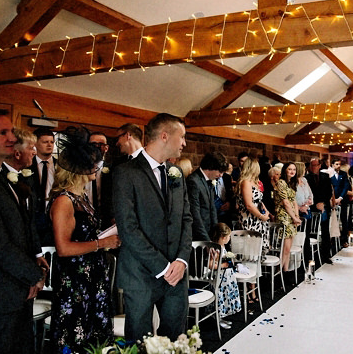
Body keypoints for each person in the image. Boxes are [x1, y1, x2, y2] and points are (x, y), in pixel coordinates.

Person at [113, 113, 194, 340]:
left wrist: (181, 260)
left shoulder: (175, 174)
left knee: (175, 341)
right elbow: (128, 228)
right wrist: (162, 266)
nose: (185, 143)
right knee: (140, 342)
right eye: (183, 137)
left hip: (176, 276)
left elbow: (187, 219)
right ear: (165, 136)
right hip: (141, 275)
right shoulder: (125, 173)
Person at [47, 127, 119, 351]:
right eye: (93, 164)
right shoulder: (63, 201)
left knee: (94, 335)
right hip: (75, 281)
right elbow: (63, 248)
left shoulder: (82, 197)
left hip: (92, 276)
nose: (97, 168)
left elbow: (84, 233)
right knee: (75, 333)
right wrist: (101, 243)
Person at [0, 109, 44, 354]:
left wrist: (34, 260)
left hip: (16, 286)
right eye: (3, 133)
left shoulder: (2, 176)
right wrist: (33, 274)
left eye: (11, 131)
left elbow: (21, 227)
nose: (11, 138)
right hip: (2, 289)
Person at [209, 223, 244, 327]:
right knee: (220, 296)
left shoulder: (222, 246)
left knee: (226, 296)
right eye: (229, 237)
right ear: (224, 238)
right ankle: (218, 318)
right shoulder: (215, 248)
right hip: (220, 278)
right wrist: (222, 265)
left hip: (227, 277)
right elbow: (211, 264)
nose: (229, 238)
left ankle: (222, 317)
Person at [189, 152, 228, 241]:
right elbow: (195, 214)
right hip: (198, 236)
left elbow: (212, 208)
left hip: (210, 234)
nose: (221, 175)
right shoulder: (193, 181)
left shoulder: (209, 180)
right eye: (220, 171)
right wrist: (206, 240)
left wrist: (216, 234)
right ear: (211, 167)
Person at [305, 158, 334, 264]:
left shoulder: (325, 177)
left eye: (315, 165)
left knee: (325, 231)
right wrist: (315, 203)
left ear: (319, 166)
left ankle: (326, 255)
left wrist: (323, 203)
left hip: (324, 206)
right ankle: (310, 257)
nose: (314, 167)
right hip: (312, 207)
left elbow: (329, 192)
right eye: (312, 165)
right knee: (310, 231)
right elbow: (308, 193)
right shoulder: (306, 178)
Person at [237, 160, 271, 247]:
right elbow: (249, 205)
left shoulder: (255, 182)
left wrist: (266, 211)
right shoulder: (245, 182)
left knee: (260, 247)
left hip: (258, 218)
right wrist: (261, 216)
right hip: (250, 219)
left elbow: (258, 201)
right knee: (251, 247)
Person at [272, 164, 301, 261]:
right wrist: (294, 217)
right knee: (285, 248)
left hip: (291, 216)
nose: (292, 171)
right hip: (283, 216)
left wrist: (297, 216)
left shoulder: (291, 183)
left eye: (294, 169)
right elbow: (286, 203)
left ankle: (286, 269)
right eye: (290, 169)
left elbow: (294, 201)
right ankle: (281, 272)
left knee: (289, 248)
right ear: (285, 170)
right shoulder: (281, 183)